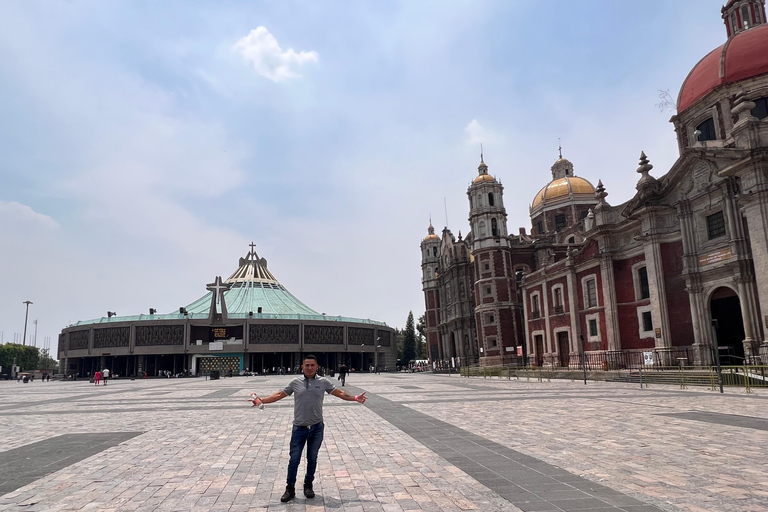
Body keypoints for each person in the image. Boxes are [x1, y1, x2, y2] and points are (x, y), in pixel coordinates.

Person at [249, 355, 367, 503]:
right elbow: (279, 394)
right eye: (307, 365)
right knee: (294, 459)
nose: (310, 368)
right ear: (302, 367)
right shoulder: (295, 382)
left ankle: (308, 485)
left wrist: (355, 398)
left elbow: (340, 393)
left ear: (317, 367)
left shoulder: (323, 382)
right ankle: (290, 488)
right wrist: (261, 400)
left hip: (317, 428)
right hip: (299, 428)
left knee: (312, 458)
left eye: (312, 365)